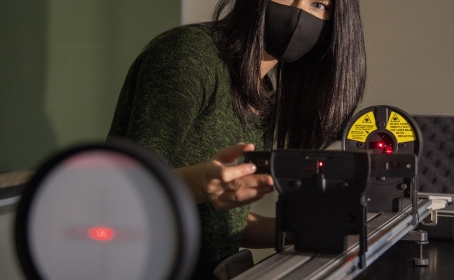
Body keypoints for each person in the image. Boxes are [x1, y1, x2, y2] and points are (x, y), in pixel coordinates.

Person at [107, 0, 366, 278]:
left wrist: (300, 226)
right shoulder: (188, 55)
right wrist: (203, 183)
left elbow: (219, 223)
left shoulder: (263, 92)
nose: (299, 11)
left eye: (318, 4)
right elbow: (127, 193)